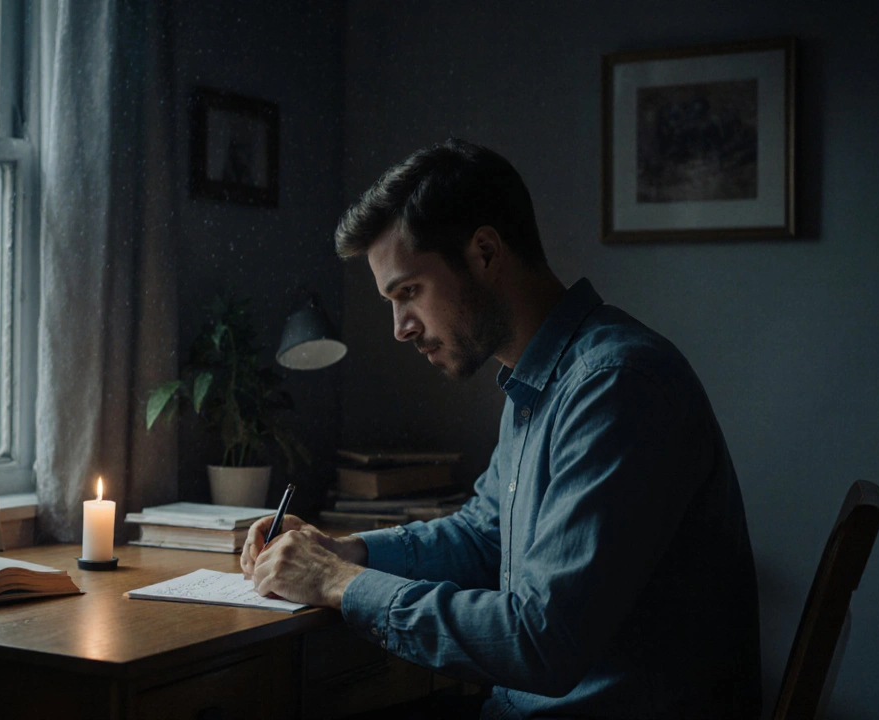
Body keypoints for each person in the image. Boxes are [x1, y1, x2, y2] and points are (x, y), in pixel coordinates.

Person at [242, 139, 761, 718]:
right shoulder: (540, 381)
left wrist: (339, 583)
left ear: (485, 252)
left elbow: (542, 642)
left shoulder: (614, 385)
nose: (400, 328)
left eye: (409, 291)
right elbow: (484, 538)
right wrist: (346, 551)